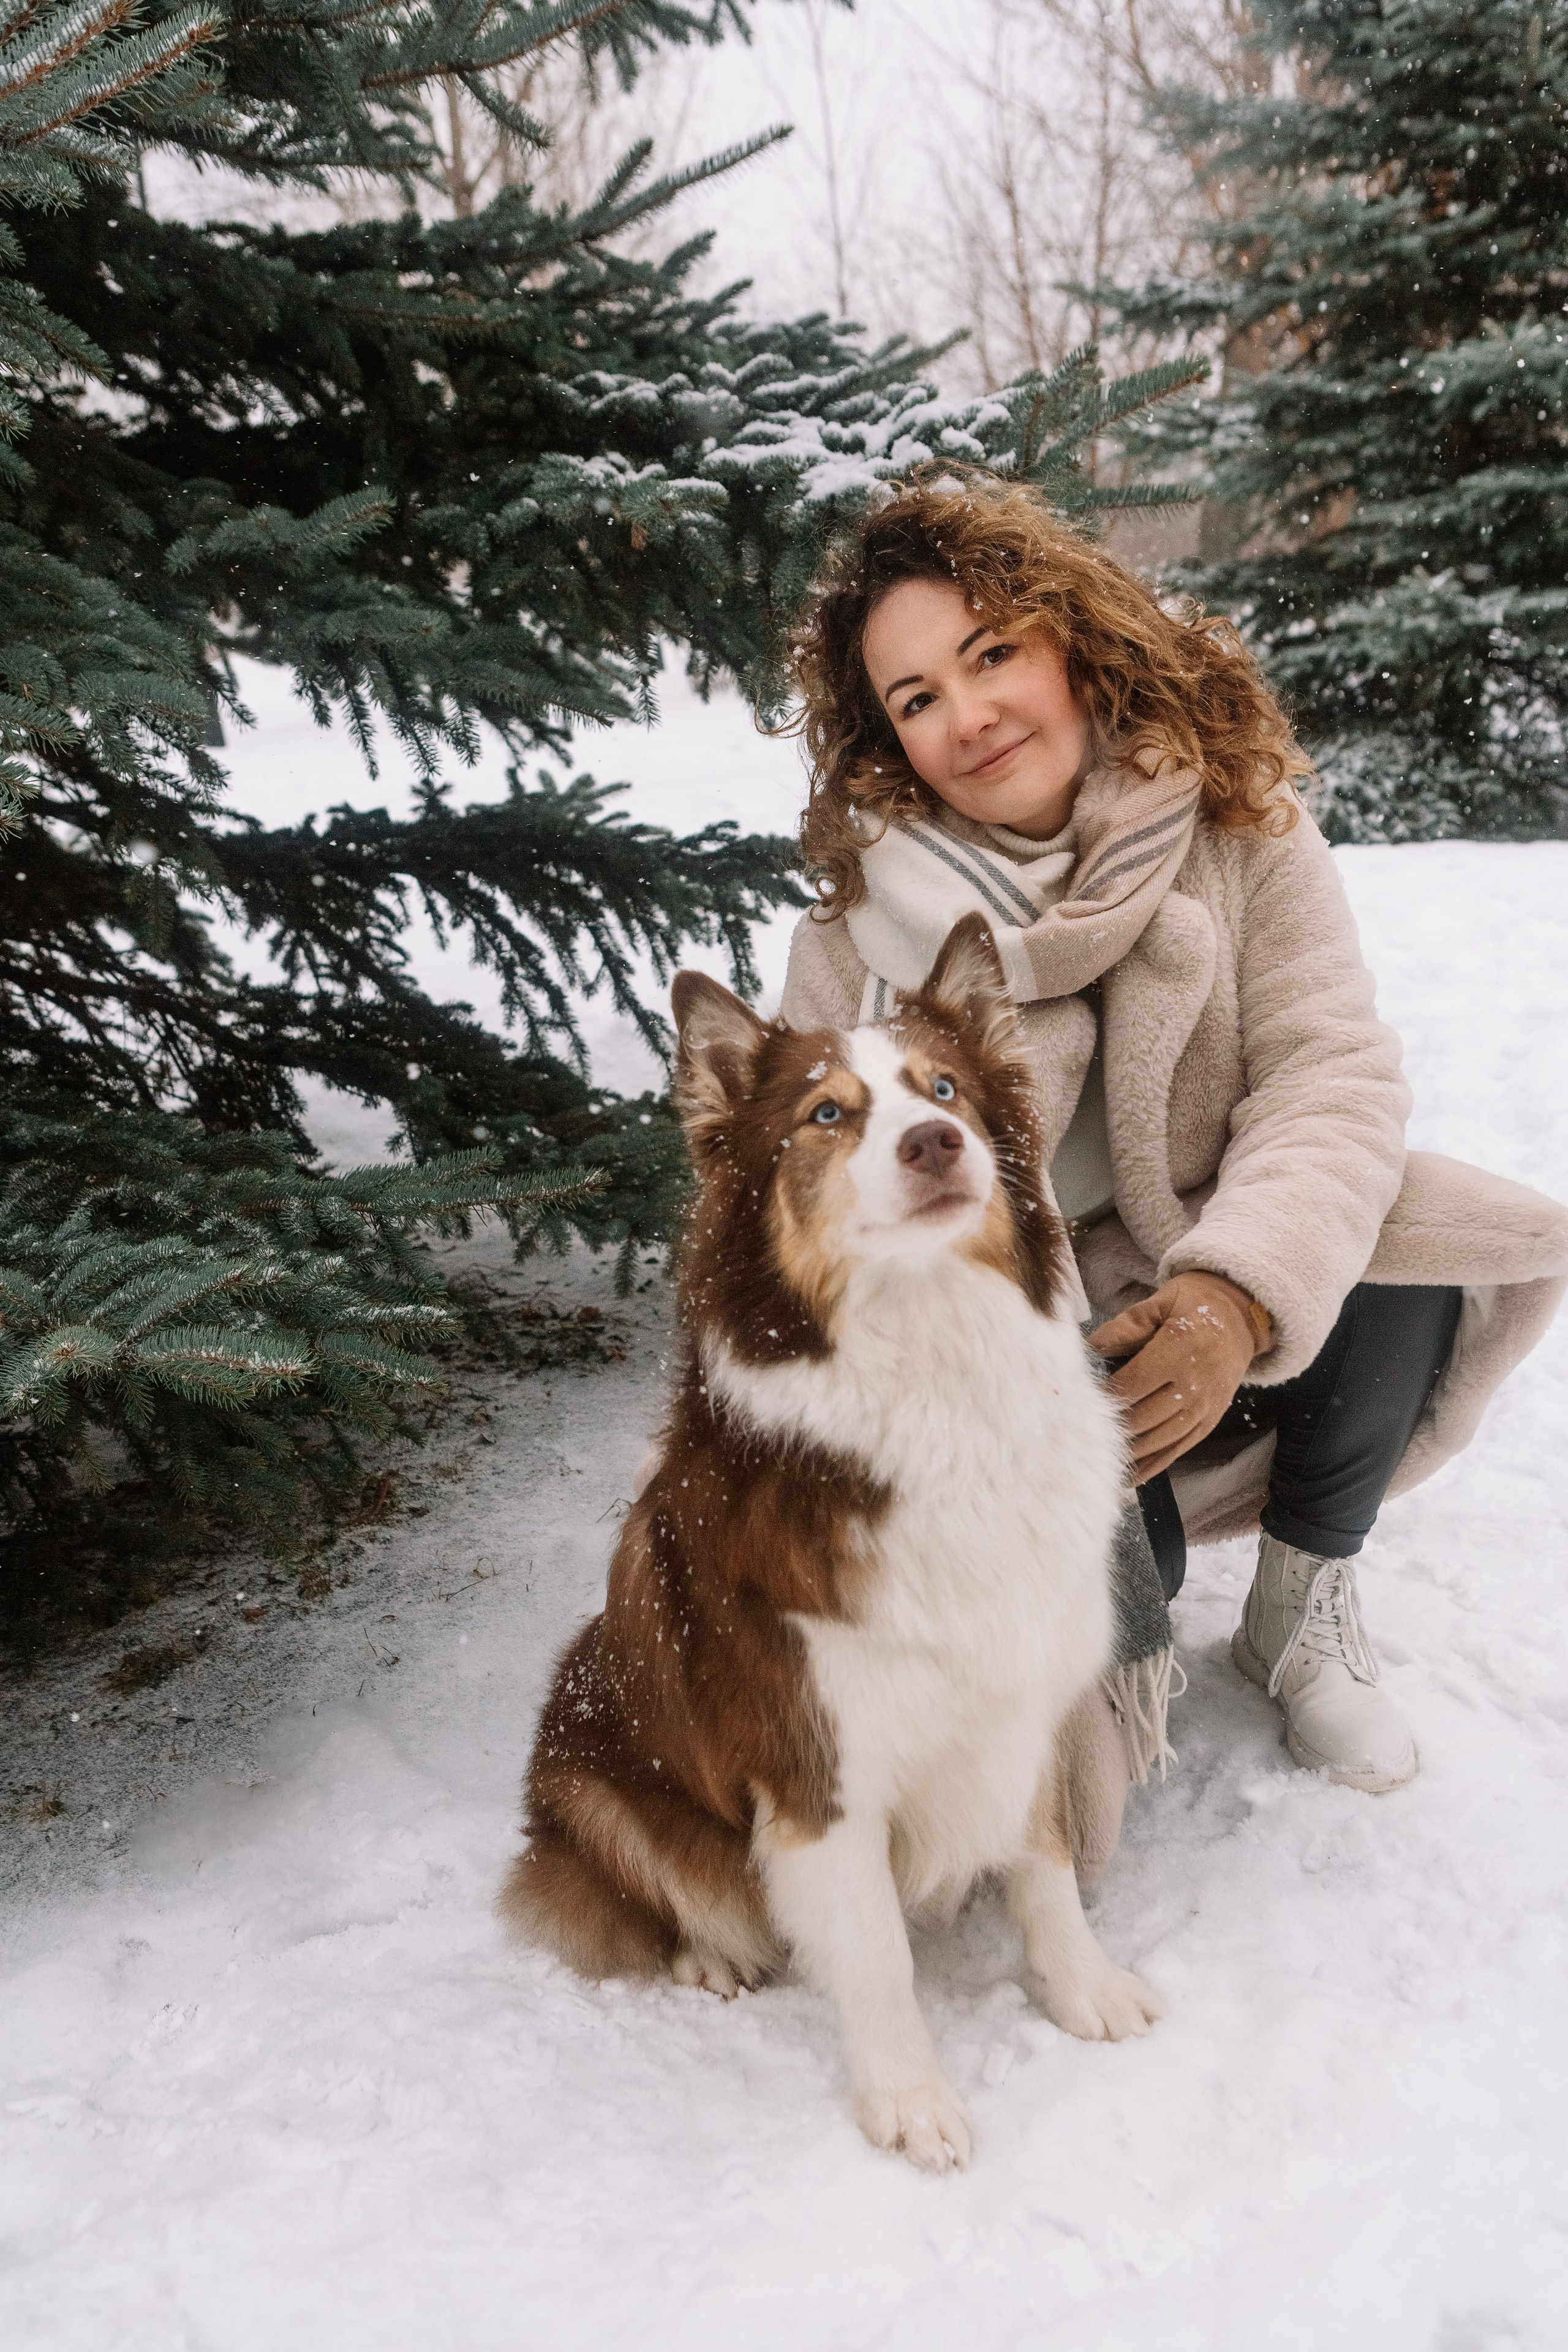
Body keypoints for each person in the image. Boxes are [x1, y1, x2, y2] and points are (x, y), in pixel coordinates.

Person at [778, 474, 1568, 1796]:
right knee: (1075, 1761)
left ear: (1070, 643)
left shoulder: (1235, 830)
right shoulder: (849, 937)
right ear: (887, 740)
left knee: (1396, 1229)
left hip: (1209, 1286)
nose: (967, 718)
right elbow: (805, 1215)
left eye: (990, 655)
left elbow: (1330, 1080)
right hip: (1012, 1359)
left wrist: (1227, 1300)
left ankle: (1299, 1606)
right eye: (916, 698)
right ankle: (1099, 1641)